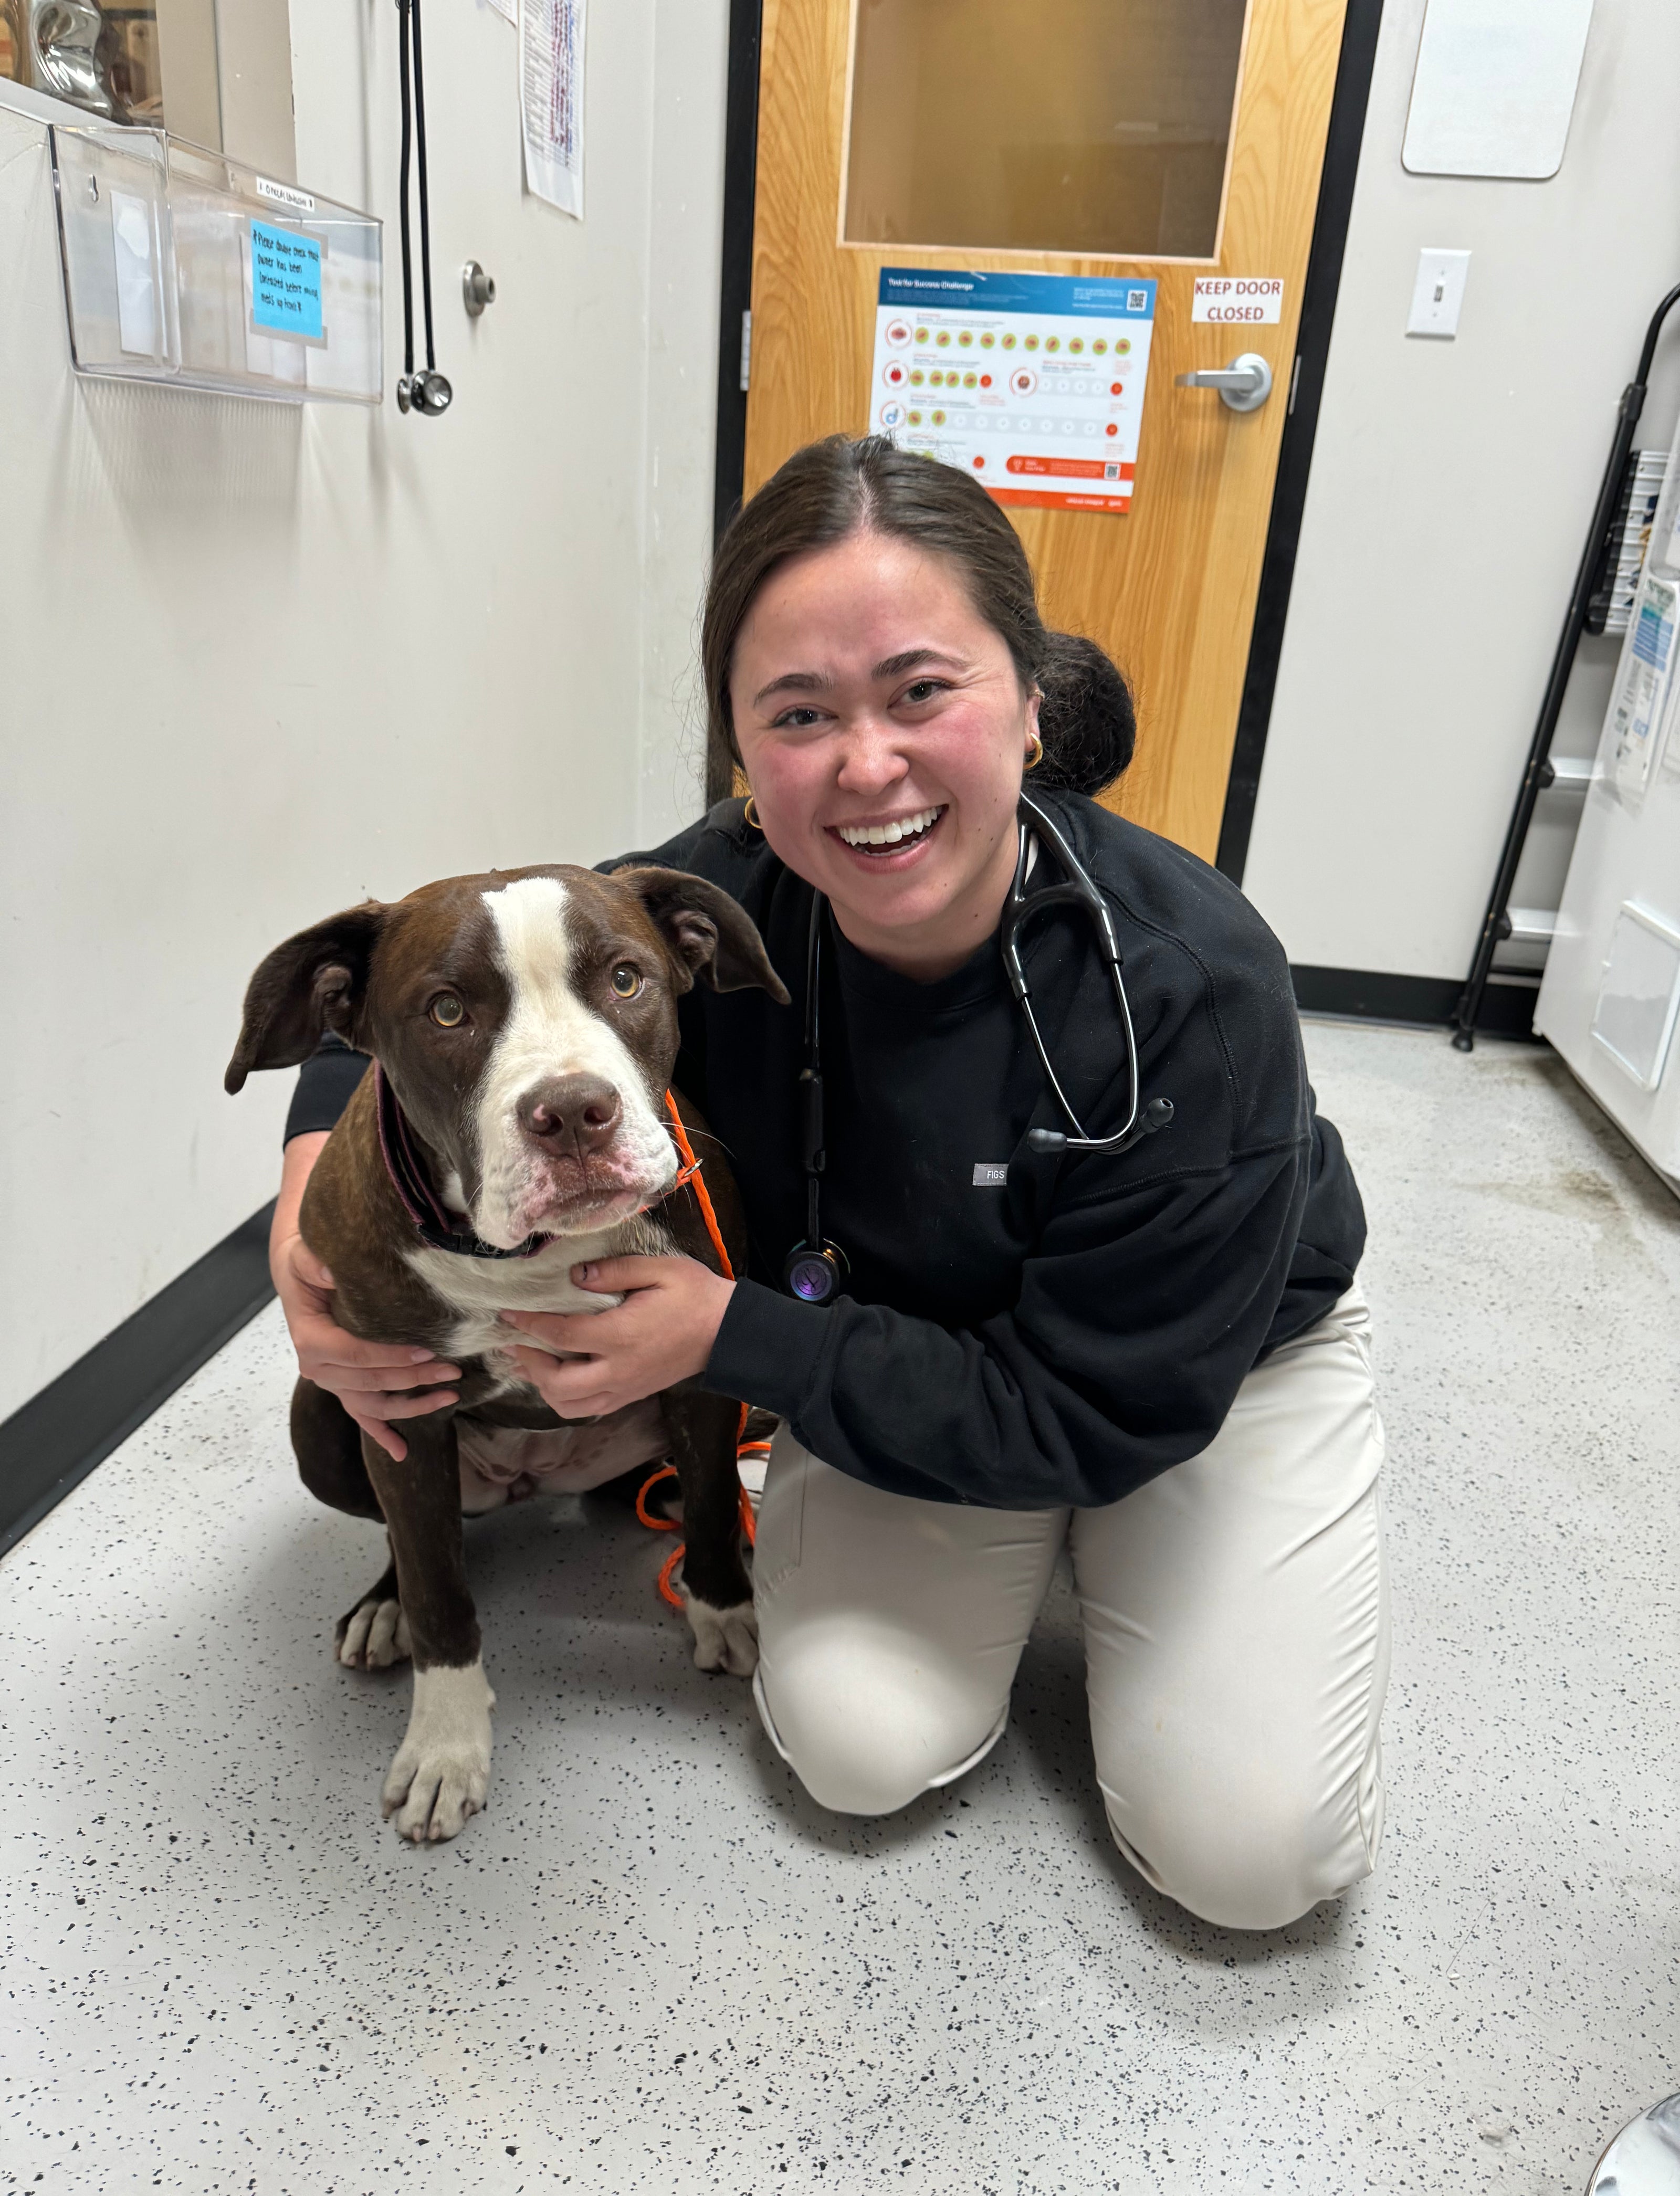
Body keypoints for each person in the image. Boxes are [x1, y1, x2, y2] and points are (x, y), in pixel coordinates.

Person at [271, 435, 1388, 1933]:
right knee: (855, 1747)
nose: (867, 766)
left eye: (923, 690)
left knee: (1251, 1854)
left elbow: (1105, 1405)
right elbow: (449, 967)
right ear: (742, 749)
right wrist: (303, 1211)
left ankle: (1134, 1549)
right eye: (800, 714)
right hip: (904, 1346)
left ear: (1031, 699)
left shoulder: (1191, 981)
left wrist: (724, 1338)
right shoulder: (712, 892)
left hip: (1200, 1375)